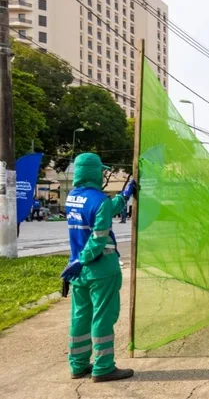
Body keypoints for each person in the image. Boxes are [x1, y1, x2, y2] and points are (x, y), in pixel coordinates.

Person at [60, 153, 136, 382]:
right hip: (100, 269)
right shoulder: (100, 200)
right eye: (101, 171)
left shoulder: (72, 197)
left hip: (77, 273)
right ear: (94, 172)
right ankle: (103, 368)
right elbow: (98, 237)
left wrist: (124, 197)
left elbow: (99, 212)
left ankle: (78, 365)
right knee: (103, 317)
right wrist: (84, 259)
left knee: (80, 317)